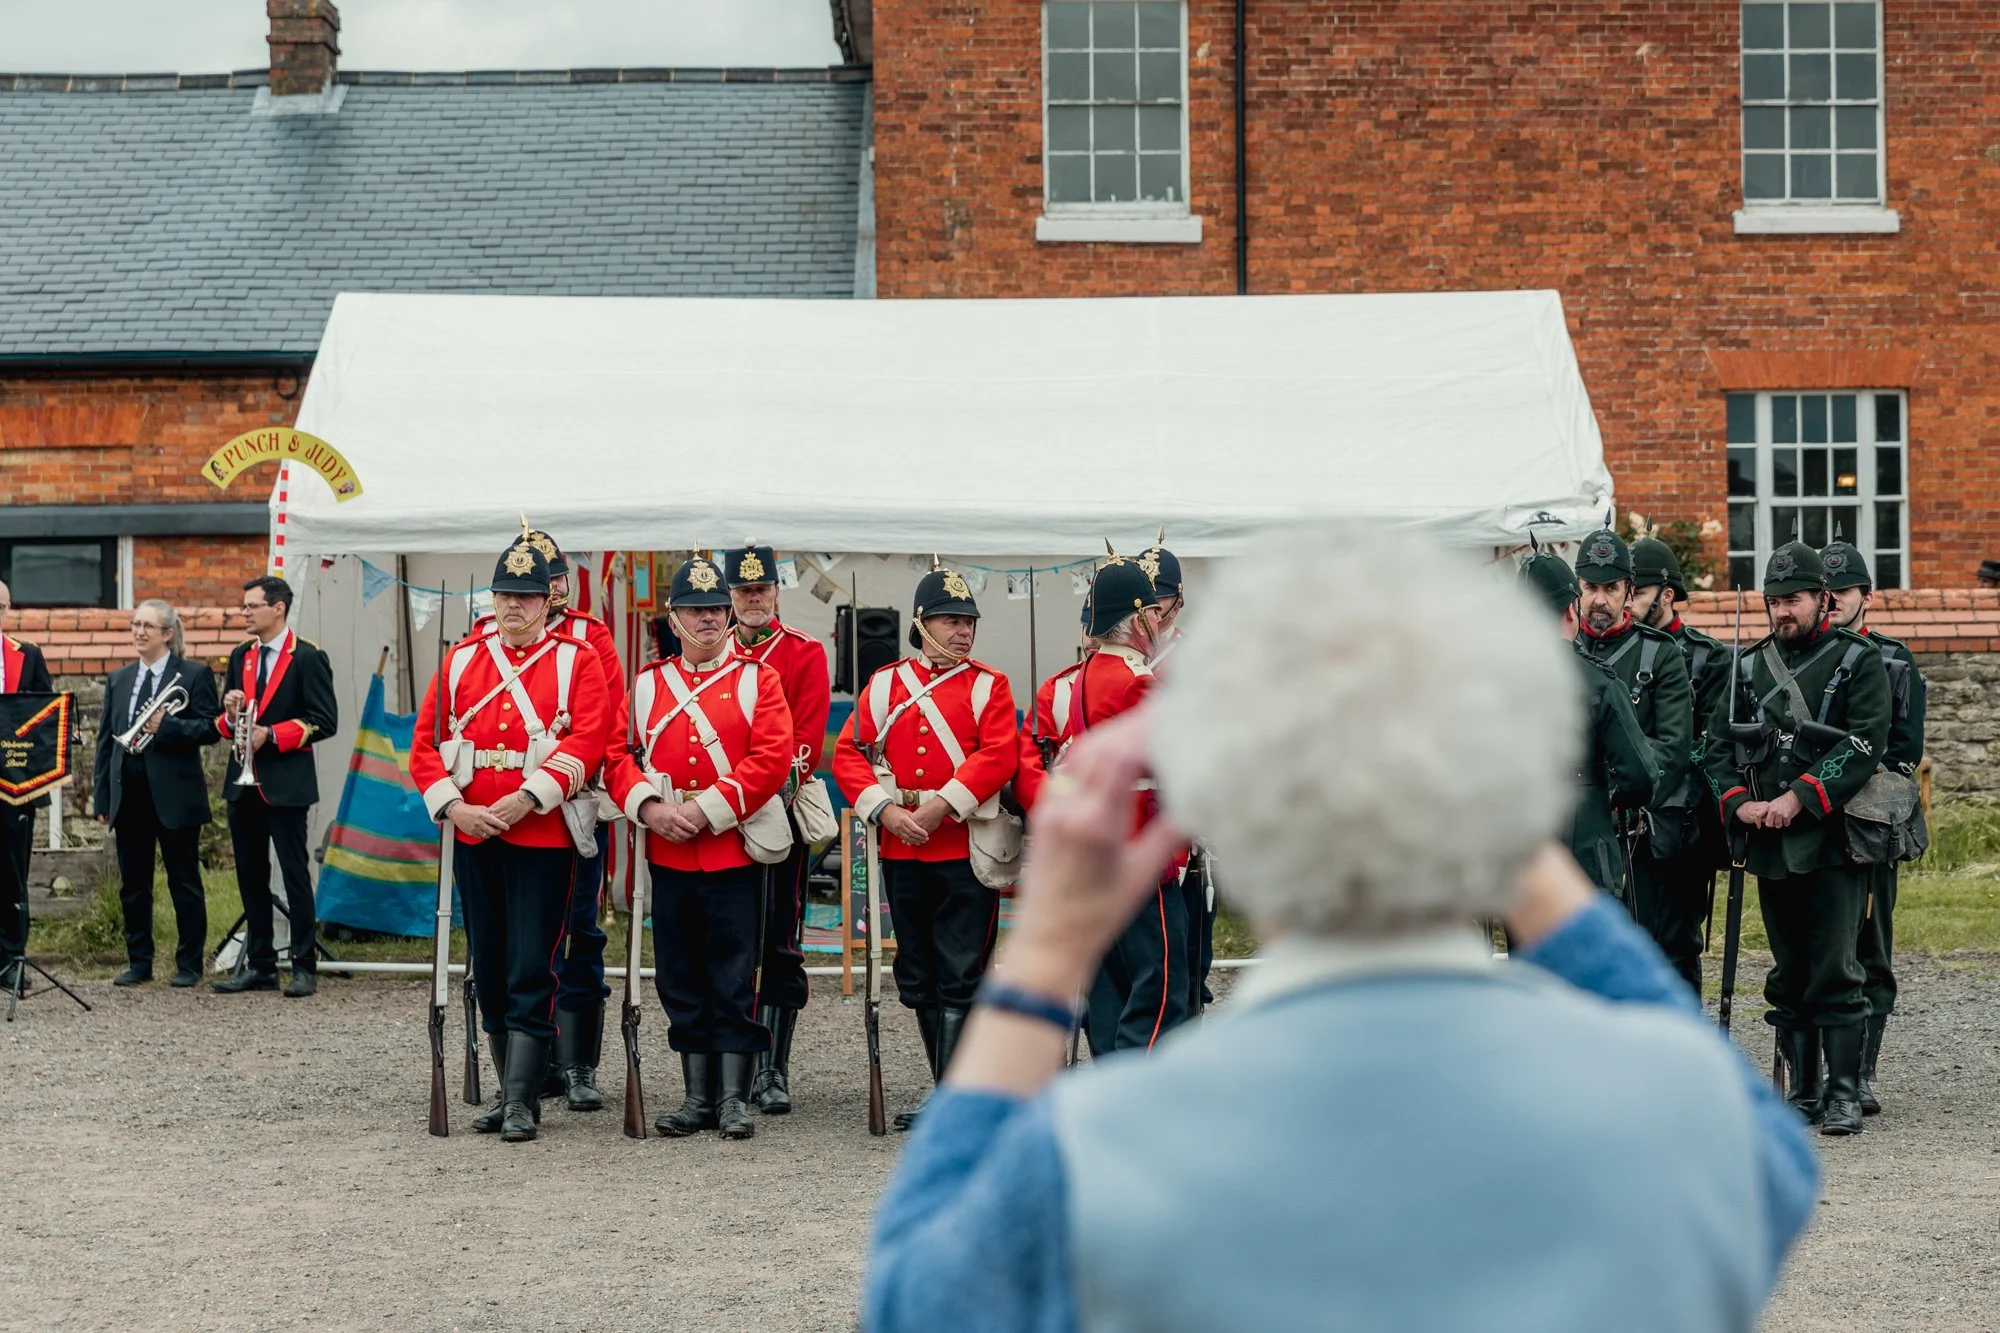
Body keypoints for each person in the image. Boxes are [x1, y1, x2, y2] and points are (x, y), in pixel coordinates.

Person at [864, 528, 1817, 1333]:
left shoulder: (1101, 1142)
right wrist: (1515, 840)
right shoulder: (1664, 1100)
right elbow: (1777, 1164)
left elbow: (913, 1299)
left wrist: (1044, 953)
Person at [411, 541, 610, 1141]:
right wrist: (456, 808)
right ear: (492, 599)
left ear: (547, 600)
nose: (515, 607)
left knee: (533, 965)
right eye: (505, 596)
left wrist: (527, 798)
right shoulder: (462, 660)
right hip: (475, 835)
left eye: (526, 596)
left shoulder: (578, 660)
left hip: (543, 836)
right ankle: (506, 1092)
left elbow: (589, 741)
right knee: (491, 966)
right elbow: (426, 746)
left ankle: (524, 1101)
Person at [1700, 541, 1891, 1136]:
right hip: (1771, 845)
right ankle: (1803, 1092)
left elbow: (1864, 744)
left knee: (1836, 966)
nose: (1784, 612)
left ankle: (1841, 1093)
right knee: (1788, 969)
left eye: (1795, 600)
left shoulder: (1859, 662)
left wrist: (1798, 797)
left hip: (1832, 842)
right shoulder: (1749, 666)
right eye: (1775, 601)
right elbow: (1713, 749)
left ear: (1823, 600)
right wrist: (1741, 803)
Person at [609, 554, 794, 1141]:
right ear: (675, 616)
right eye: (696, 608)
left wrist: (705, 810)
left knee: (736, 972)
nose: (710, 618)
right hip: (668, 849)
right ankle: (698, 1097)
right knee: (680, 974)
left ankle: (735, 1097)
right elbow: (617, 756)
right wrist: (652, 808)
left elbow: (770, 759)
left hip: (732, 847)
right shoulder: (647, 684)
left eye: (716, 607)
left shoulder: (757, 678)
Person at [833, 565, 1019, 1130]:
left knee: (963, 971)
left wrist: (941, 806)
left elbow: (999, 755)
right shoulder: (886, 683)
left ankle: (957, 1097)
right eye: (951, 620)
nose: (963, 632)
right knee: (918, 971)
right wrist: (885, 810)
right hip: (901, 846)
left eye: (968, 622)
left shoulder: (990, 684)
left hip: (963, 846)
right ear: (922, 623)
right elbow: (848, 753)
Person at [1027, 553, 1189, 1055]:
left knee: (1113, 982)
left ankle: (1115, 1072)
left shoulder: (1093, 671)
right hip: (1139, 839)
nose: (1159, 622)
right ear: (1138, 617)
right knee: (1161, 983)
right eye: (1153, 613)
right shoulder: (1133, 678)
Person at [508, 527, 627, 1114]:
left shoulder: (590, 635)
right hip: (510, 813)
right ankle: (531, 1066)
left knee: (579, 931)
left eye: (556, 576)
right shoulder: (491, 639)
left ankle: (578, 1063)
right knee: (517, 939)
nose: (550, 587)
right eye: (537, 578)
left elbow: (602, 722)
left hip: (573, 806)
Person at [724, 543, 832, 1116]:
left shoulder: (802, 653)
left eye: (761, 590)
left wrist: (746, 789)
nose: (753, 600)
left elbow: (805, 741)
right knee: (730, 943)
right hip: (719, 818)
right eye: (743, 592)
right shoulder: (709, 653)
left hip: (777, 814)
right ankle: (731, 1064)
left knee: (778, 943)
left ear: (776, 592)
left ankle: (772, 1068)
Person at [1822, 539, 1926, 1115]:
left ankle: (1861, 1071)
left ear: (1867, 596)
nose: (1833, 599)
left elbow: (1905, 750)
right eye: (1827, 591)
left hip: (1869, 825)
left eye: (1843, 590)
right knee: (1818, 948)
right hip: (1810, 822)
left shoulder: (1892, 659)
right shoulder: (1802, 657)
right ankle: (1816, 1073)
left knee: (1872, 947)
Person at [213, 575, 338, 997]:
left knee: (294, 875)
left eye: (252, 606)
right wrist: (231, 715)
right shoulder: (240, 656)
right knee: (250, 874)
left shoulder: (307, 657)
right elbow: (224, 723)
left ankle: (304, 964)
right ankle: (261, 964)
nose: (244, 613)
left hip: (285, 784)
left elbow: (325, 720)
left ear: (278, 608)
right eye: (244, 606)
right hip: (243, 782)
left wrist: (275, 735)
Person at [91, 599, 222, 987]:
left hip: (175, 796)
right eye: (135, 624)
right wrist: (102, 798)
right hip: (128, 794)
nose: (139, 632)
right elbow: (105, 744)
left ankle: (189, 964)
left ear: (168, 633)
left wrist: (165, 727)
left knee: (183, 880)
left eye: (148, 626)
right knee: (133, 883)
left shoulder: (195, 675)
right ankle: (139, 961)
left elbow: (210, 729)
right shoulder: (119, 679)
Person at [1571, 530, 1695, 930]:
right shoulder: (1562, 650)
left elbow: (1673, 748)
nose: (1599, 600)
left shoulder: (1661, 654)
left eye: (1611, 588)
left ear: (1629, 591)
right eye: (1590, 587)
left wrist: (1613, 791)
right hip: (1571, 825)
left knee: (1644, 938)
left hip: (1636, 825)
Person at [1627, 536, 1732, 995]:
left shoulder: (1709, 657)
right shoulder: (1614, 650)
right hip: (1622, 815)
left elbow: (1710, 743)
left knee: (1676, 945)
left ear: (1667, 594)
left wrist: (1646, 757)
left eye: (1637, 592)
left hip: (1680, 823)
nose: (1626, 602)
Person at [1518, 550, 1658, 895]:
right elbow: (1641, 776)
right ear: (1571, 608)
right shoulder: (1600, 682)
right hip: (1584, 841)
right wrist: (1613, 799)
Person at [1139, 537, 1213, 1011]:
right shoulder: (1110, 654)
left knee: (1187, 955)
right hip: (1132, 815)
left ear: (1177, 603)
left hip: (1183, 814)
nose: (1149, 606)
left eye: (1158, 596)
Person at [0, 579, 53, 996]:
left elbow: (44, 715)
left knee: (13, 872)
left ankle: (11, 958)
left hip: (13, 784)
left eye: (0, 607)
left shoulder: (28, 655)